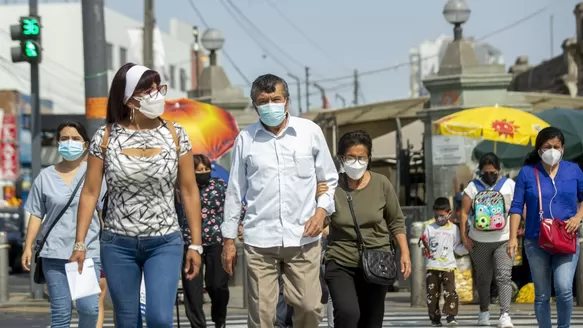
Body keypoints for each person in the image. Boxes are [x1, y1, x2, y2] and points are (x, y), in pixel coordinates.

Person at [69, 63, 203, 327]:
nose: (157, 94)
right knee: (127, 320)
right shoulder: (105, 136)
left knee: (160, 318)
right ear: (129, 97)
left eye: (158, 87)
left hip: (165, 242)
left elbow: (188, 190)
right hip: (118, 245)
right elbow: (90, 193)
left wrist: (196, 245)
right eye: (148, 89)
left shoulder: (175, 134)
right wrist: (80, 243)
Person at [221, 74, 338, 328]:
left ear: (286, 102)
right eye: (264, 101)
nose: (271, 105)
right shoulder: (246, 139)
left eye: (276, 99)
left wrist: (320, 213)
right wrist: (228, 240)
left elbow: (329, 178)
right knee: (262, 315)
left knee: (309, 307)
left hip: (303, 238)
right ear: (255, 106)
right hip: (260, 239)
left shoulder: (309, 132)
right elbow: (235, 190)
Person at [324, 130, 412, 328]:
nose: (356, 163)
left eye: (361, 158)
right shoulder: (332, 186)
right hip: (340, 260)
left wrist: (405, 253)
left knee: (371, 321)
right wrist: (316, 198)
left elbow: (396, 220)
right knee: (348, 313)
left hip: (377, 261)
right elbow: (320, 222)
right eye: (350, 157)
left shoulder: (382, 184)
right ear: (341, 158)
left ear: (368, 158)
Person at [21, 121, 103, 328]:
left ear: (85, 144)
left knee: (89, 308)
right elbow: (36, 214)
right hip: (54, 253)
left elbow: (104, 214)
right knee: (60, 312)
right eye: (65, 138)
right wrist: (28, 246)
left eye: (75, 139)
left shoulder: (94, 175)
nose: (70, 142)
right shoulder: (45, 177)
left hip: (87, 252)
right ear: (57, 142)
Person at [507, 127, 583, 328]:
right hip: (536, 240)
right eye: (547, 146)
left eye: (556, 146)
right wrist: (512, 237)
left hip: (567, 237)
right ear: (539, 148)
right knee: (541, 293)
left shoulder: (573, 170)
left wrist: (578, 217)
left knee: (564, 287)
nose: (552, 150)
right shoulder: (527, 173)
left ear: (563, 149)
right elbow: (516, 207)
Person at [176, 154, 235, 328]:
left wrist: (237, 225)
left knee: (217, 285)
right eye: (199, 170)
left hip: (216, 241)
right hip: (189, 243)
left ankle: (219, 318)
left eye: (206, 169)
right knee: (192, 291)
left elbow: (234, 206)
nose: (203, 172)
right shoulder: (180, 188)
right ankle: (198, 325)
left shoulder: (219, 186)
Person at [459, 152, 516, 327]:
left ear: (499, 170)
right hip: (479, 240)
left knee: (504, 276)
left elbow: (517, 210)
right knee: (483, 278)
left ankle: (504, 314)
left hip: (503, 238)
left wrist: (514, 237)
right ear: (480, 171)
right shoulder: (472, 187)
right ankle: (484, 311)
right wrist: (464, 236)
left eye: (492, 172)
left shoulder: (509, 185)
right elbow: (463, 212)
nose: (489, 175)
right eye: (485, 172)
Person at [419, 197, 461, 327]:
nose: (439, 218)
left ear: (449, 213)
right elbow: (423, 243)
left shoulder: (454, 229)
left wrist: (468, 248)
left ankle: (451, 316)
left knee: (450, 292)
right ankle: (435, 319)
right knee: (432, 294)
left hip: (449, 267)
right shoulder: (430, 228)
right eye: (437, 216)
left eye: (442, 215)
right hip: (432, 267)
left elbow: (457, 246)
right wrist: (424, 248)